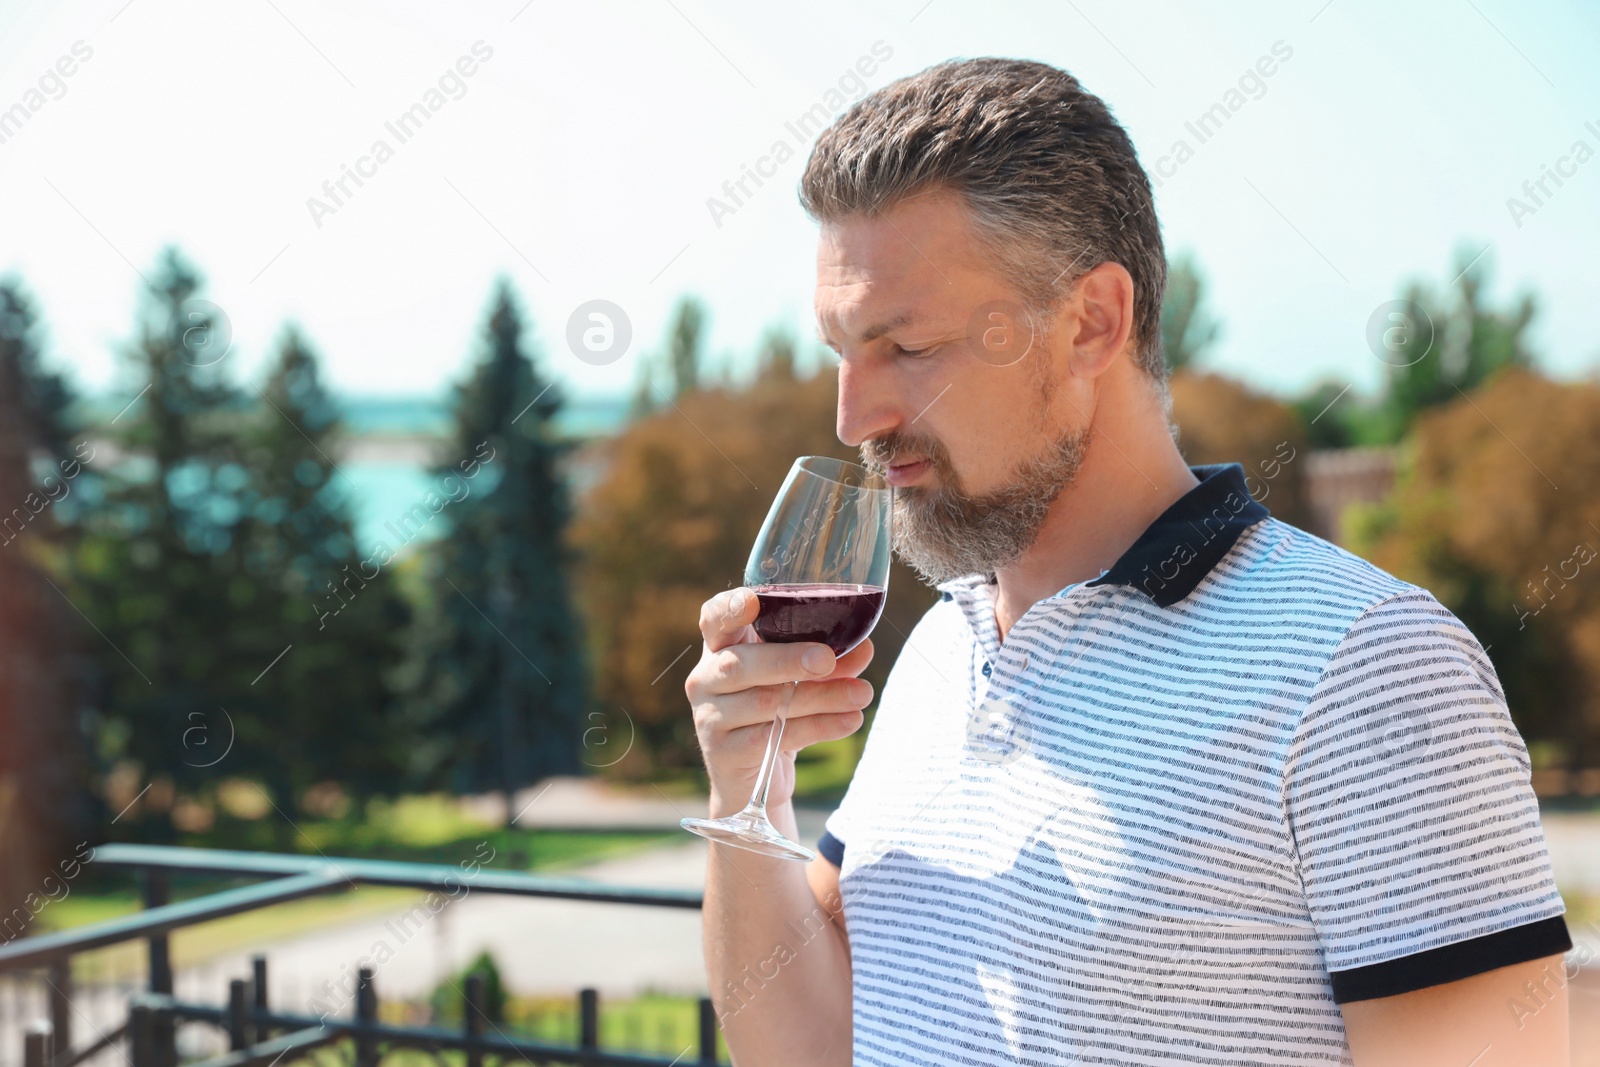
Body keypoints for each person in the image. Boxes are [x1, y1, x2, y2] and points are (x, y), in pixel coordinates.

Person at [684, 57, 1573, 1066]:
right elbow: (809, 1048)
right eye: (842, 348)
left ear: (1092, 321)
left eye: (910, 346)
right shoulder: (940, 646)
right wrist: (741, 790)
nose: (856, 416)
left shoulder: (1367, 668)